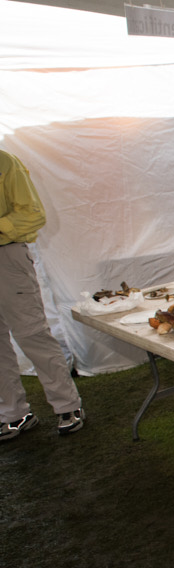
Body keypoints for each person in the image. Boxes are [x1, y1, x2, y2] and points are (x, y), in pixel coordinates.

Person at [0, 149, 85, 441]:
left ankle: (67, 406)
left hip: (6, 257)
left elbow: (32, 214)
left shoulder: (4, 162)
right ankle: (13, 414)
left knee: (31, 334)